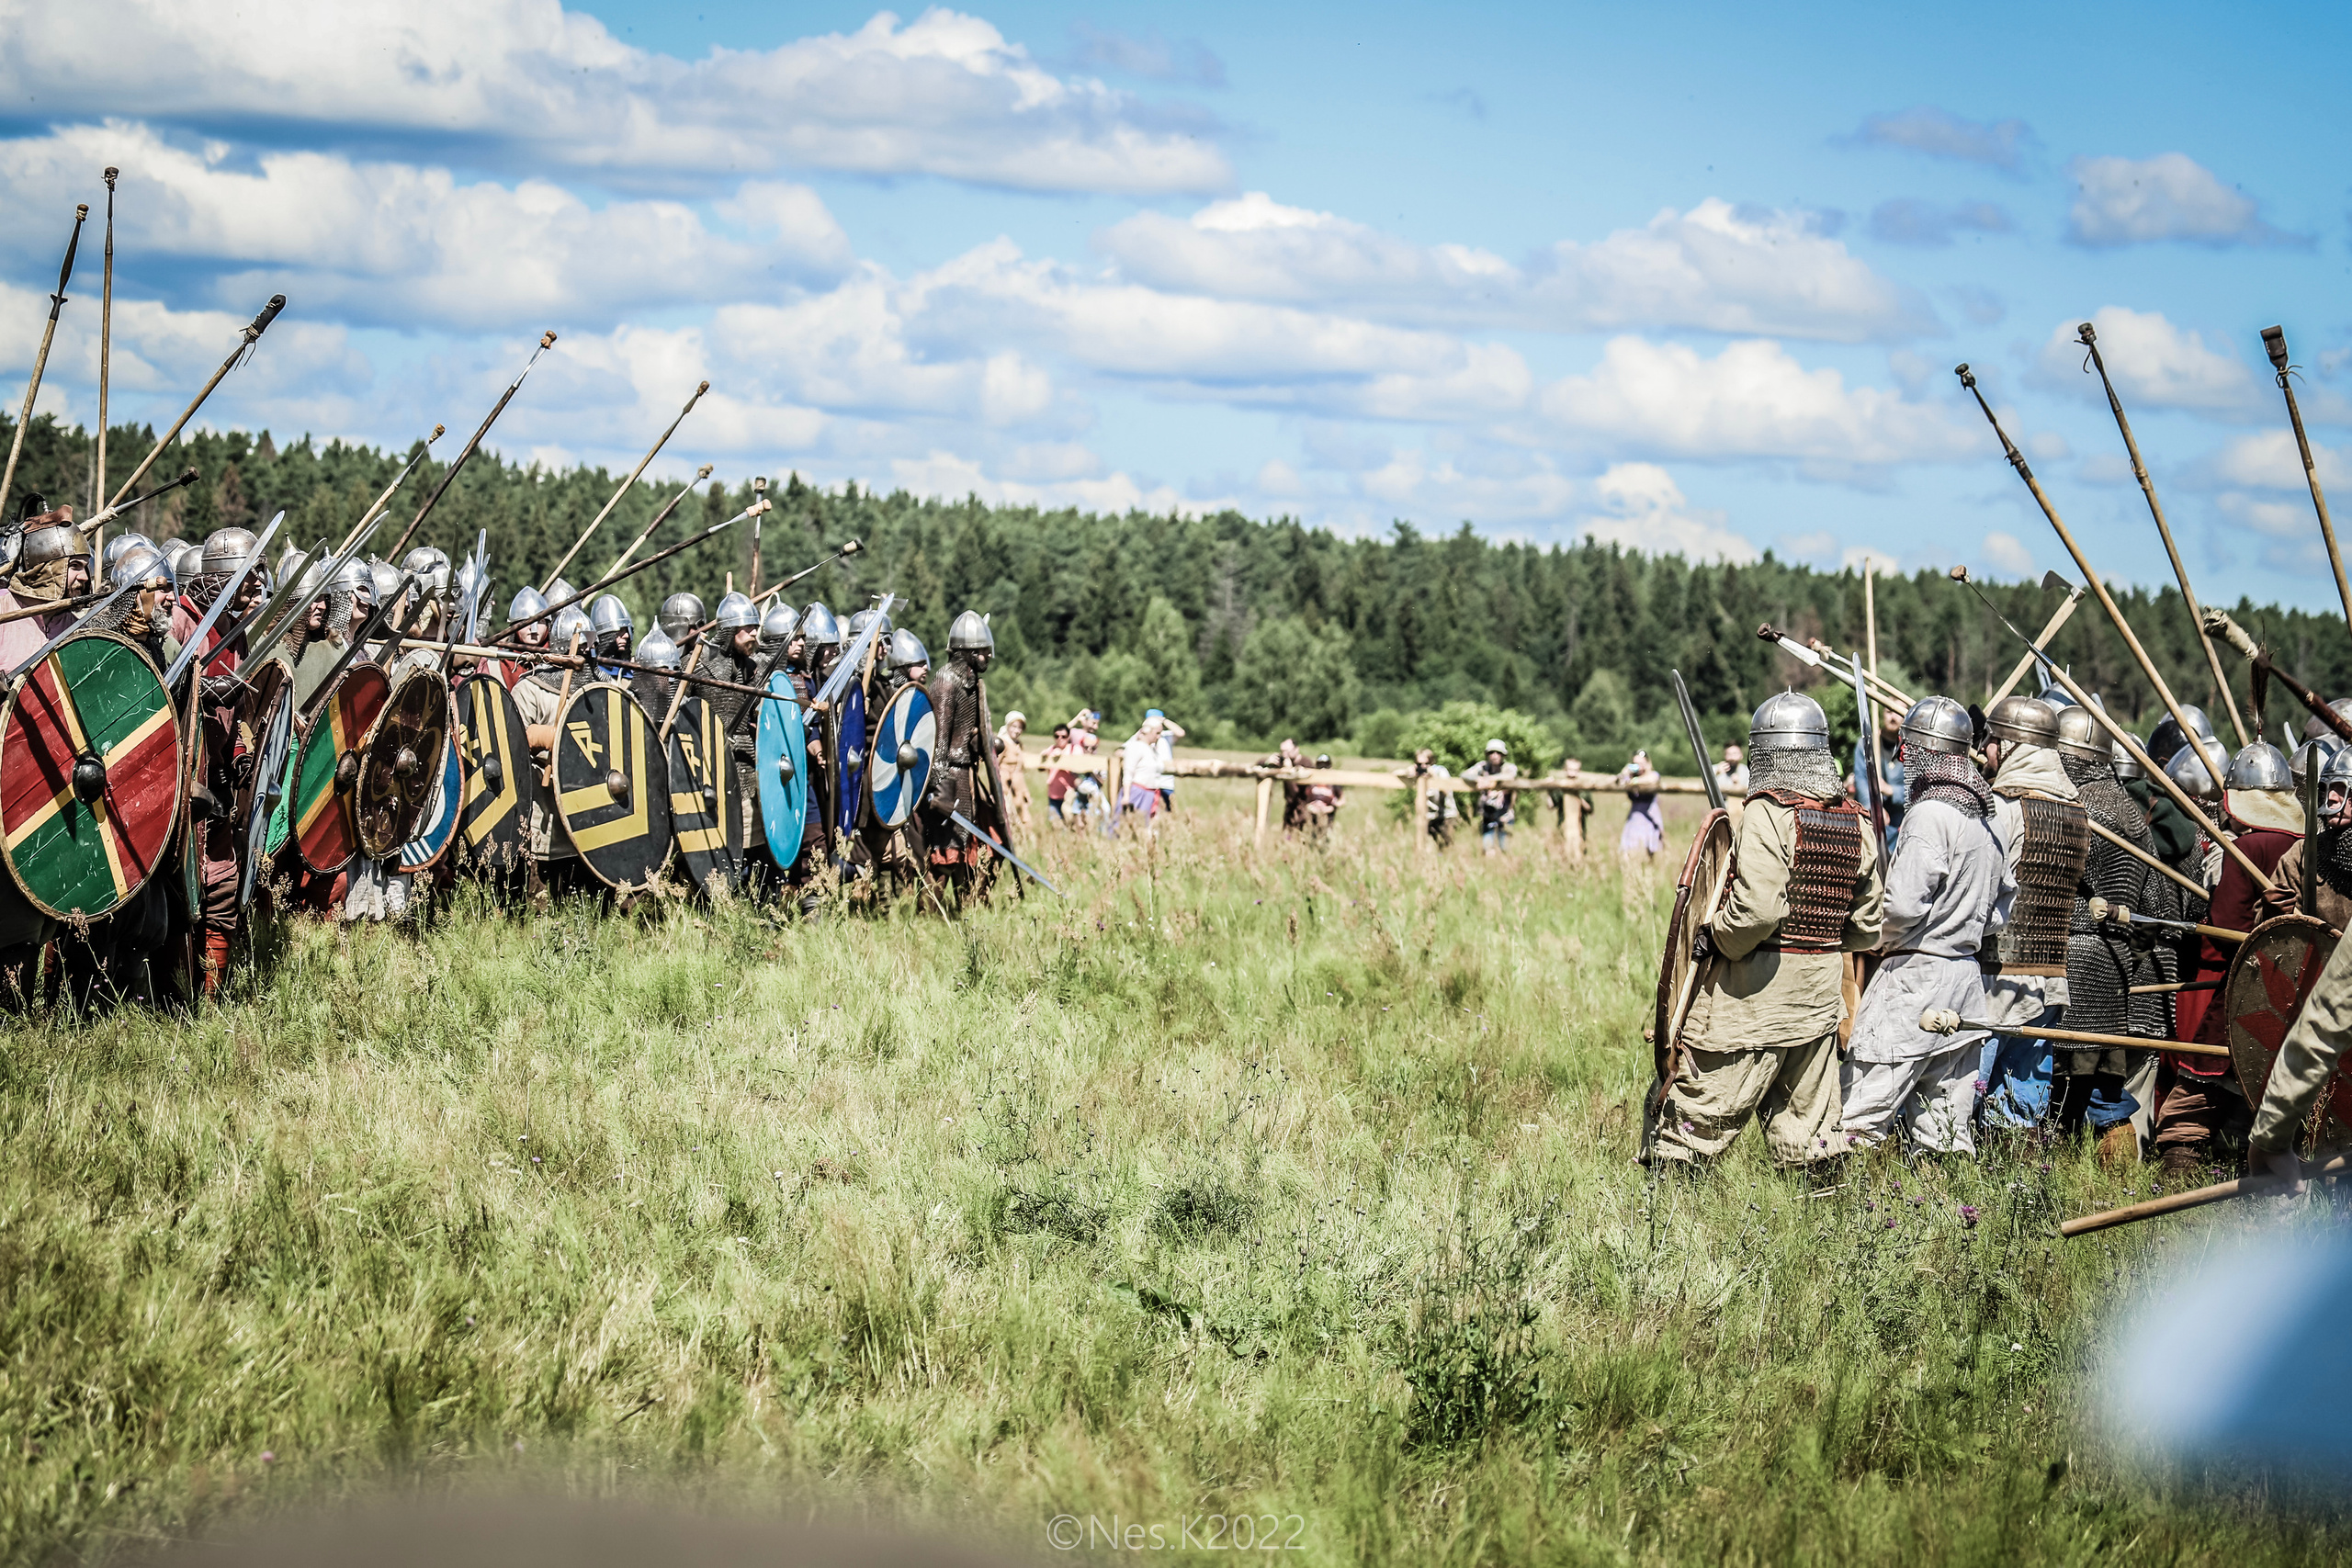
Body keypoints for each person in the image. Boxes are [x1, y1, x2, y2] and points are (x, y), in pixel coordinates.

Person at [1648, 692, 1884, 1169]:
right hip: (1820, 994)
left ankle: (1670, 1206)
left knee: (1698, 1107)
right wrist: (1822, 940)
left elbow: (1756, 911)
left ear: (1766, 753)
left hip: (1755, 993)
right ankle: (1823, 1210)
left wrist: (1717, 936)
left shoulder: (1767, 811)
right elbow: (1866, 924)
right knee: (1811, 1126)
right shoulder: (1855, 819)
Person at [1838, 696, 2013, 1155]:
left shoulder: (1929, 814)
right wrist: (1960, 925)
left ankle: (1843, 1194)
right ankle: (1947, 1198)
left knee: (1862, 1107)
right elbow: (2000, 911)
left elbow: (1902, 906)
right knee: (1945, 1129)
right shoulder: (1988, 822)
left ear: (1922, 752)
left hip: (1914, 977)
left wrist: (1872, 936)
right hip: (1965, 978)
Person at [2153, 740, 2301, 1175]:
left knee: (2199, 1088)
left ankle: (2179, 1171)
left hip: (2248, 986)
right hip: (2306, 990)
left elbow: (2227, 924)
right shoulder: (2311, 844)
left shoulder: (2247, 848)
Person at [1973, 696, 2092, 1137]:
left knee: (1967, 1094)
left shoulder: (2004, 809)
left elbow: (1985, 891)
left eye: (1992, 741)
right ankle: (2020, 1176)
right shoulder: (2076, 813)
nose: (1985, 751)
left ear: (2010, 746)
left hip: (1997, 976)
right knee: (2020, 1111)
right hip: (2051, 976)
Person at [2259, 743, 2352, 930]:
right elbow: (2269, 934)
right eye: (2327, 788)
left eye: (2341, 788)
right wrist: (2272, 913)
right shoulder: (2303, 854)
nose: (2331, 797)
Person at [1854, 708, 1907, 849]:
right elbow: (1861, 779)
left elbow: (1917, 788)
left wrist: (1891, 790)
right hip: (1872, 820)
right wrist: (1873, 807)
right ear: (1882, 714)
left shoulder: (1911, 748)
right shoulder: (1867, 744)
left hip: (1902, 822)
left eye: (1898, 712)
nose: (1893, 717)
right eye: (1889, 712)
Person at [1462, 739, 1516, 852]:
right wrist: (1478, 779)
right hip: (1488, 814)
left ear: (1503, 755)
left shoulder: (1508, 767)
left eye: (1498, 753)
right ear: (1487, 754)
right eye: (1491, 752)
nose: (1494, 756)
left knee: (1505, 848)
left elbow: (1510, 776)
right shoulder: (1483, 767)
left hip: (1505, 814)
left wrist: (1489, 779)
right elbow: (1464, 774)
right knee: (1487, 847)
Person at [1120, 715, 1170, 831]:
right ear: (1148, 731)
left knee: (1145, 828)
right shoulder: (1136, 747)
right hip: (1137, 793)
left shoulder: (1152, 750)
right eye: (1157, 733)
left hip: (1150, 793)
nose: (1159, 736)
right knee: (1130, 826)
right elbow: (1128, 772)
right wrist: (1126, 796)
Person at [1408, 747, 1457, 848]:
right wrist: (1408, 772)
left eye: (1426, 764)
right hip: (1429, 817)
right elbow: (1395, 774)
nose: (1423, 767)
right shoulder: (1418, 775)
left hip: (1446, 815)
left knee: (1447, 848)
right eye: (1419, 764)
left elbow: (1447, 791)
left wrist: (1433, 777)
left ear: (1432, 762)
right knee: (1428, 847)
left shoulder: (1440, 771)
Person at [1618, 750, 1664, 859]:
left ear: (1648, 763)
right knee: (1628, 850)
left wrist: (1633, 781)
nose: (1639, 766)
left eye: (1642, 763)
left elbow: (1652, 779)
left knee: (1650, 849)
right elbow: (1619, 781)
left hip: (1650, 815)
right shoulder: (1629, 777)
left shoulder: (1653, 775)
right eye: (1636, 764)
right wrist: (1625, 771)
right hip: (1635, 816)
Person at [997, 710, 1033, 834]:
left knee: (1024, 816)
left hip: (1018, 787)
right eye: (1014, 726)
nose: (1017, 730)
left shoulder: (1018, 744)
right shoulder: (1002, 743)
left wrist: (1025, 791)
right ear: (1008, 726)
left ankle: (1025, 840)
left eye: (1020, 728)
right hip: (1005, 787)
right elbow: (995, 765)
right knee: (1009, 815)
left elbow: (1020, 769)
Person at [1146, 709, 1186, 812]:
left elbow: (1181, 733)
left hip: (1166, 783)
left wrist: (1164, 720)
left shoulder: (1166, 736)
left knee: (1168, 814)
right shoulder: (1143, 736)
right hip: (1149, 783)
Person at [1042, 723, 1078, 826]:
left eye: (1063, 736)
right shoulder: (1051, 749)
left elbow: (1078, 767)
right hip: (1053, 793)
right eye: (1057, 736)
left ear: (1068, 737)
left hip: (1069, 793)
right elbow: (1041, 768)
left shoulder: (1074, 749)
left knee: (1070, 822)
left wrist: (1061, 757)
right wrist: (1044, 757)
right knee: (1055, 823)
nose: (1060, 739)